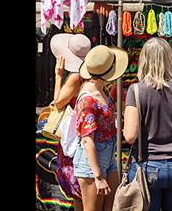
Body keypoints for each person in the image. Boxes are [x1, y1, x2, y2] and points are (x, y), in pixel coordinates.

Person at [123, 37, 172, 211]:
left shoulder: (136, 90)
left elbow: (130, 136)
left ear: (144, 59)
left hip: (147, 165)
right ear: (170, 59)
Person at [73, 45, 129, 211]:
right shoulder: (88, 99)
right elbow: (87, 140)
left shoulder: (102, 90)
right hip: (91, 161)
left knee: (112, 206)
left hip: (107, 155)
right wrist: (98, 176)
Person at [52, 33, 92, 211]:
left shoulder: (75, 77)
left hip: (74, 138)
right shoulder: (90, 75)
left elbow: (58, 103)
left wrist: (59, 75)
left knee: (78, 193)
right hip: (84, 135)